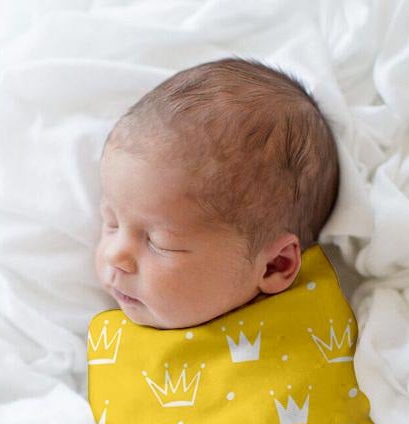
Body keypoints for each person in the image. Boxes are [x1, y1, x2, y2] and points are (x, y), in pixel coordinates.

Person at [94, 56, 339, 330]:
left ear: (275, 265)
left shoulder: (304, 340)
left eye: (159, 243)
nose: (114, 255)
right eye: (111, 223)